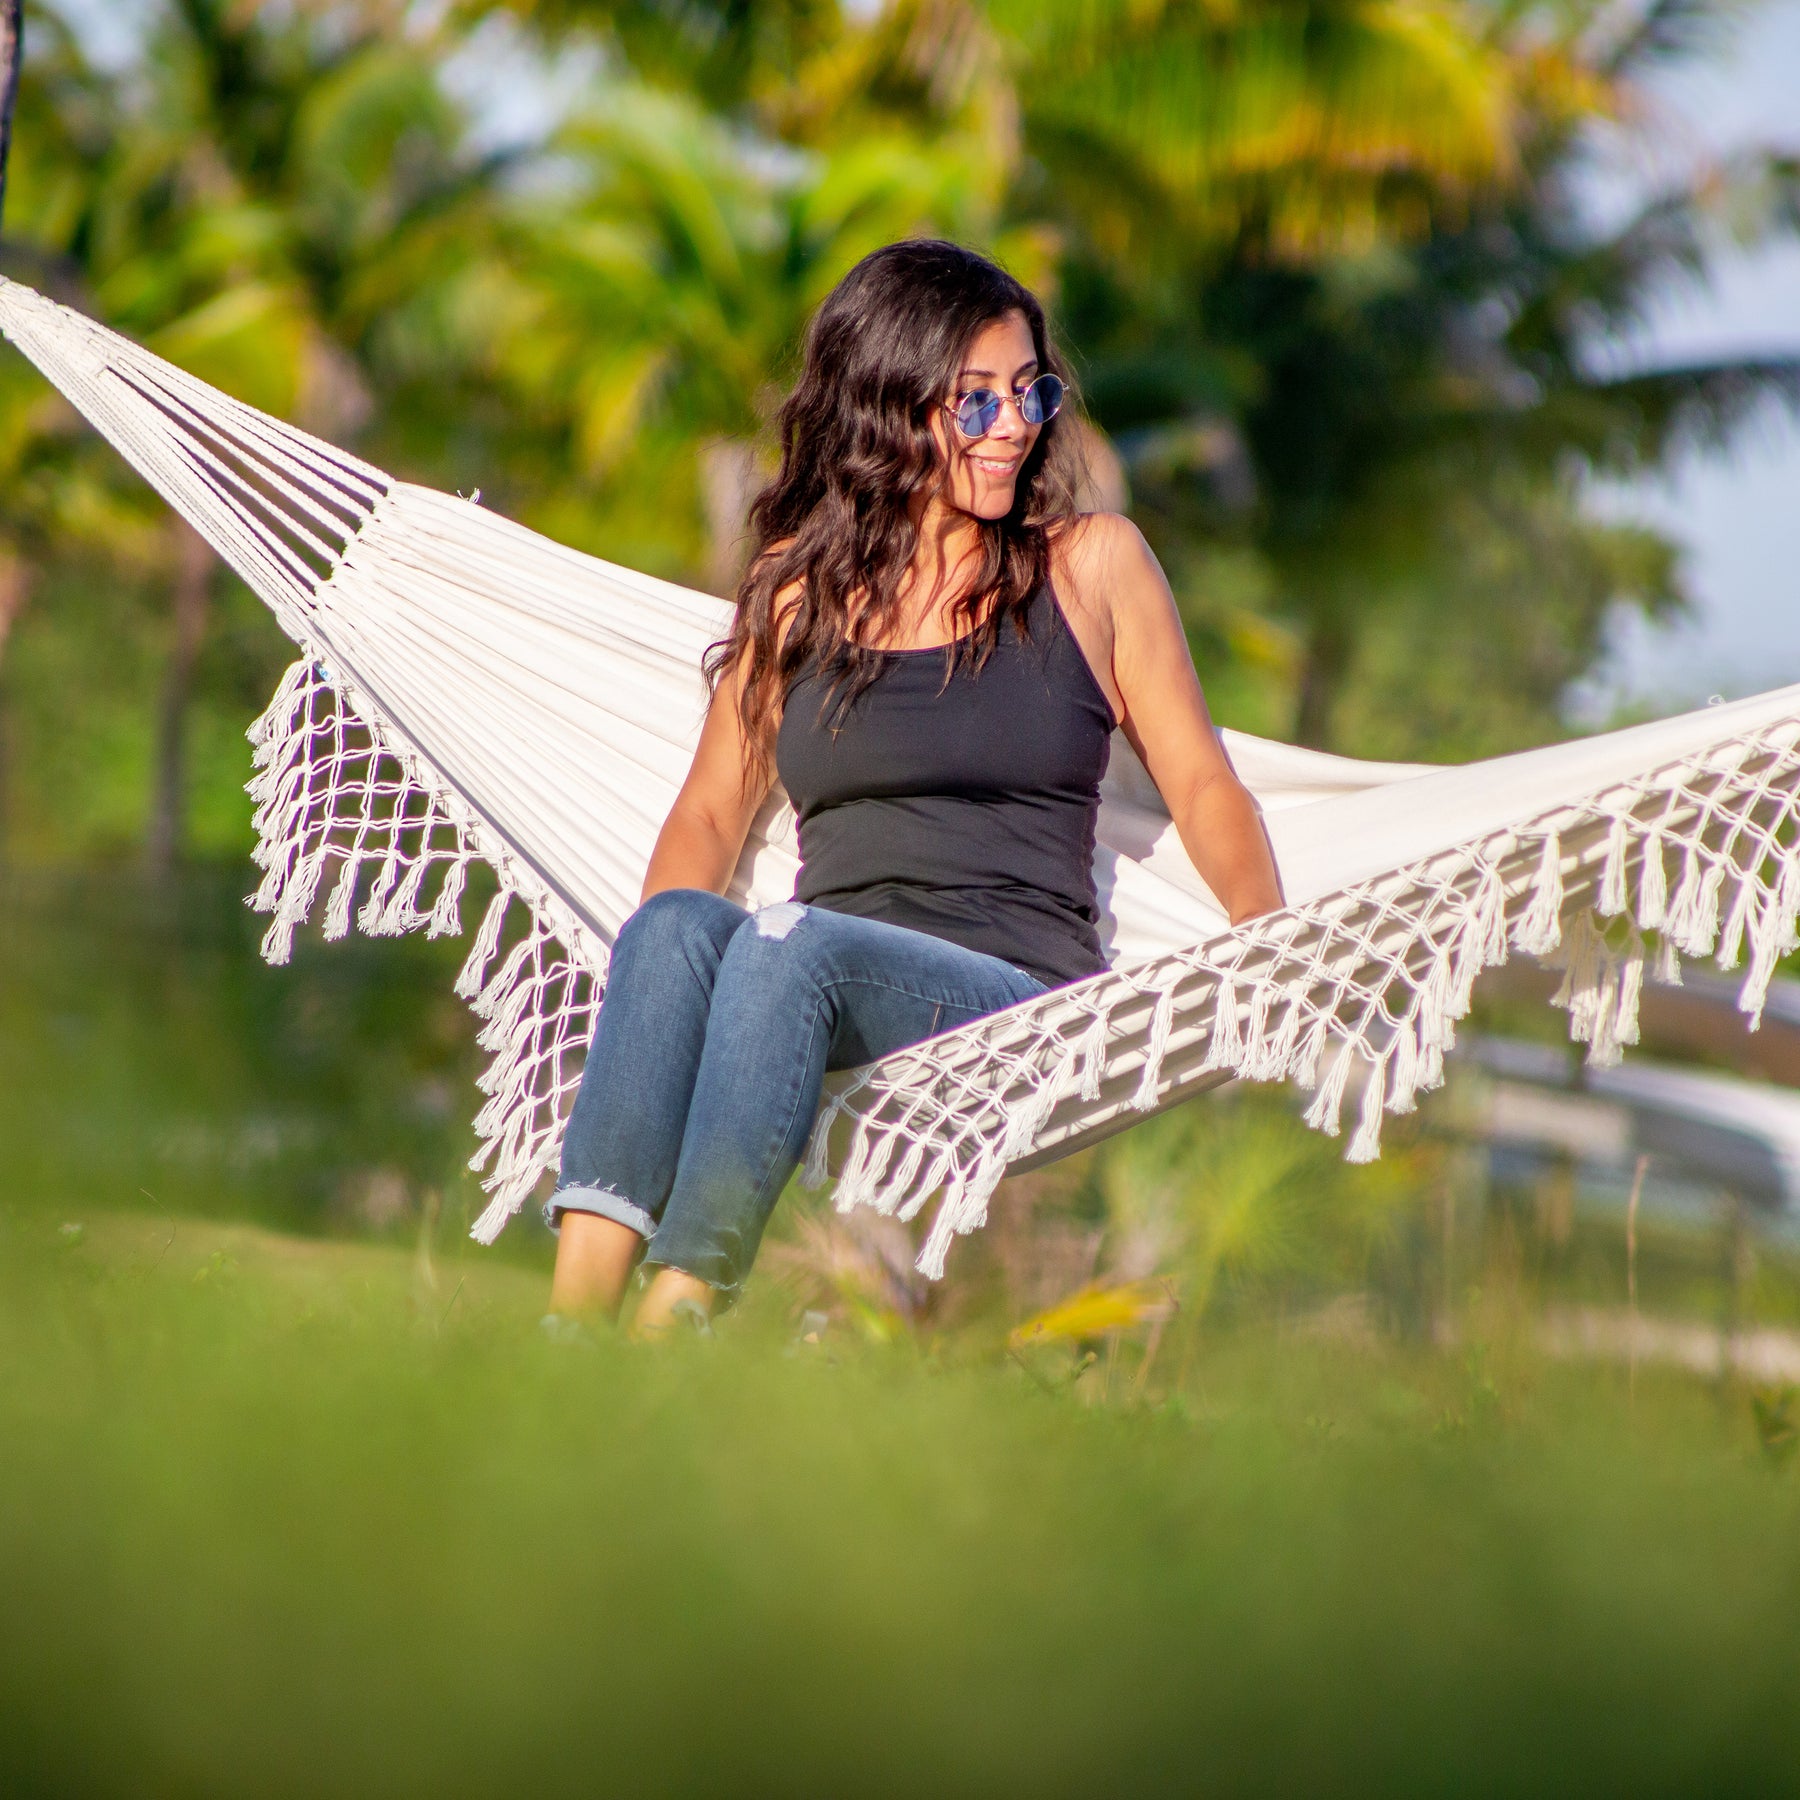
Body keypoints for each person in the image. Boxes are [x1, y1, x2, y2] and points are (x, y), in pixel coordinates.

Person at [546, 239, 1282, 1334]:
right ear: (890, 407)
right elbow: (709, 812)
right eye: (975, 400)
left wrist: (1267, 947)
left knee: (788, 943)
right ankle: (569, 1328)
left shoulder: (1091, 567)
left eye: (1030, 390)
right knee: (671, 933)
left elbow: (1205, 785)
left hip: (1009, 995)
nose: (1017, 425)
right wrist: (674, 982)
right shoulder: (798, 598)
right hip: (811, 983)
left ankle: (678, 1315)